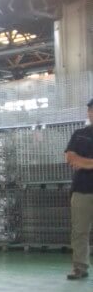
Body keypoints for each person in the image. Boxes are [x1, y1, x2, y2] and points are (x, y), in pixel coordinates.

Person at [64, 98, 93, 280]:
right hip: (82, 189)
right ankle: (80, 267)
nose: (92, 113)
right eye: (91, 110)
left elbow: (79, 161)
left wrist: (85, 163)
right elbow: (70, 158)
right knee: (79, 230)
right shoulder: (79, 134)